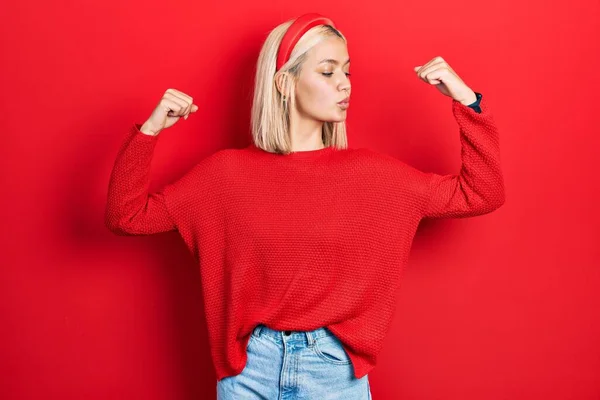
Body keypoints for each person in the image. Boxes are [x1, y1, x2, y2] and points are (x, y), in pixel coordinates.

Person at [104, 12, 503, 400]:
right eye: (328, 72)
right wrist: (150, 130)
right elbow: (127, 216)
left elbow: (481, 192)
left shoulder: (374, 176)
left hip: (334, 373)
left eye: (347, 72)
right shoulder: (223, 177)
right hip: (248, 373)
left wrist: (467, 101)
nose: (345, 85)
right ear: (284, 82)